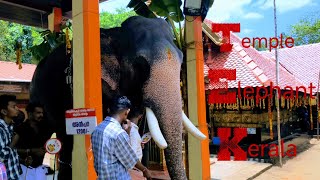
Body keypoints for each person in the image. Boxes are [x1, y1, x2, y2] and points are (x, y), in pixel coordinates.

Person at [91, 96, 152, 180]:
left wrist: (127, 132)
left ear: (109, 110)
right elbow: (130, 160)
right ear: (127, 111)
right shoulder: (118, 133)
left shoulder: (97, 129)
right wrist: (145, 170)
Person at [14, 102, 52, 180]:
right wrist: (31, 151)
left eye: (42, 113)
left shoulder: (45, 128)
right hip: (24, 168)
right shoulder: (20, 129)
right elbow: (12, 149)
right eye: (38, 113)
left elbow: (50, 144)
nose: (41, 115)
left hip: (41, 168)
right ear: (30, 114)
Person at [0, 95, 22, 180]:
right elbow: (1, 157)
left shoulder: (10, 127)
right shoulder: (1, 129)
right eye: (13, 106)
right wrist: (13, 142)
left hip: (14, 175)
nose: (17, 108)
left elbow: (12, 154)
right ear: (4, 111)